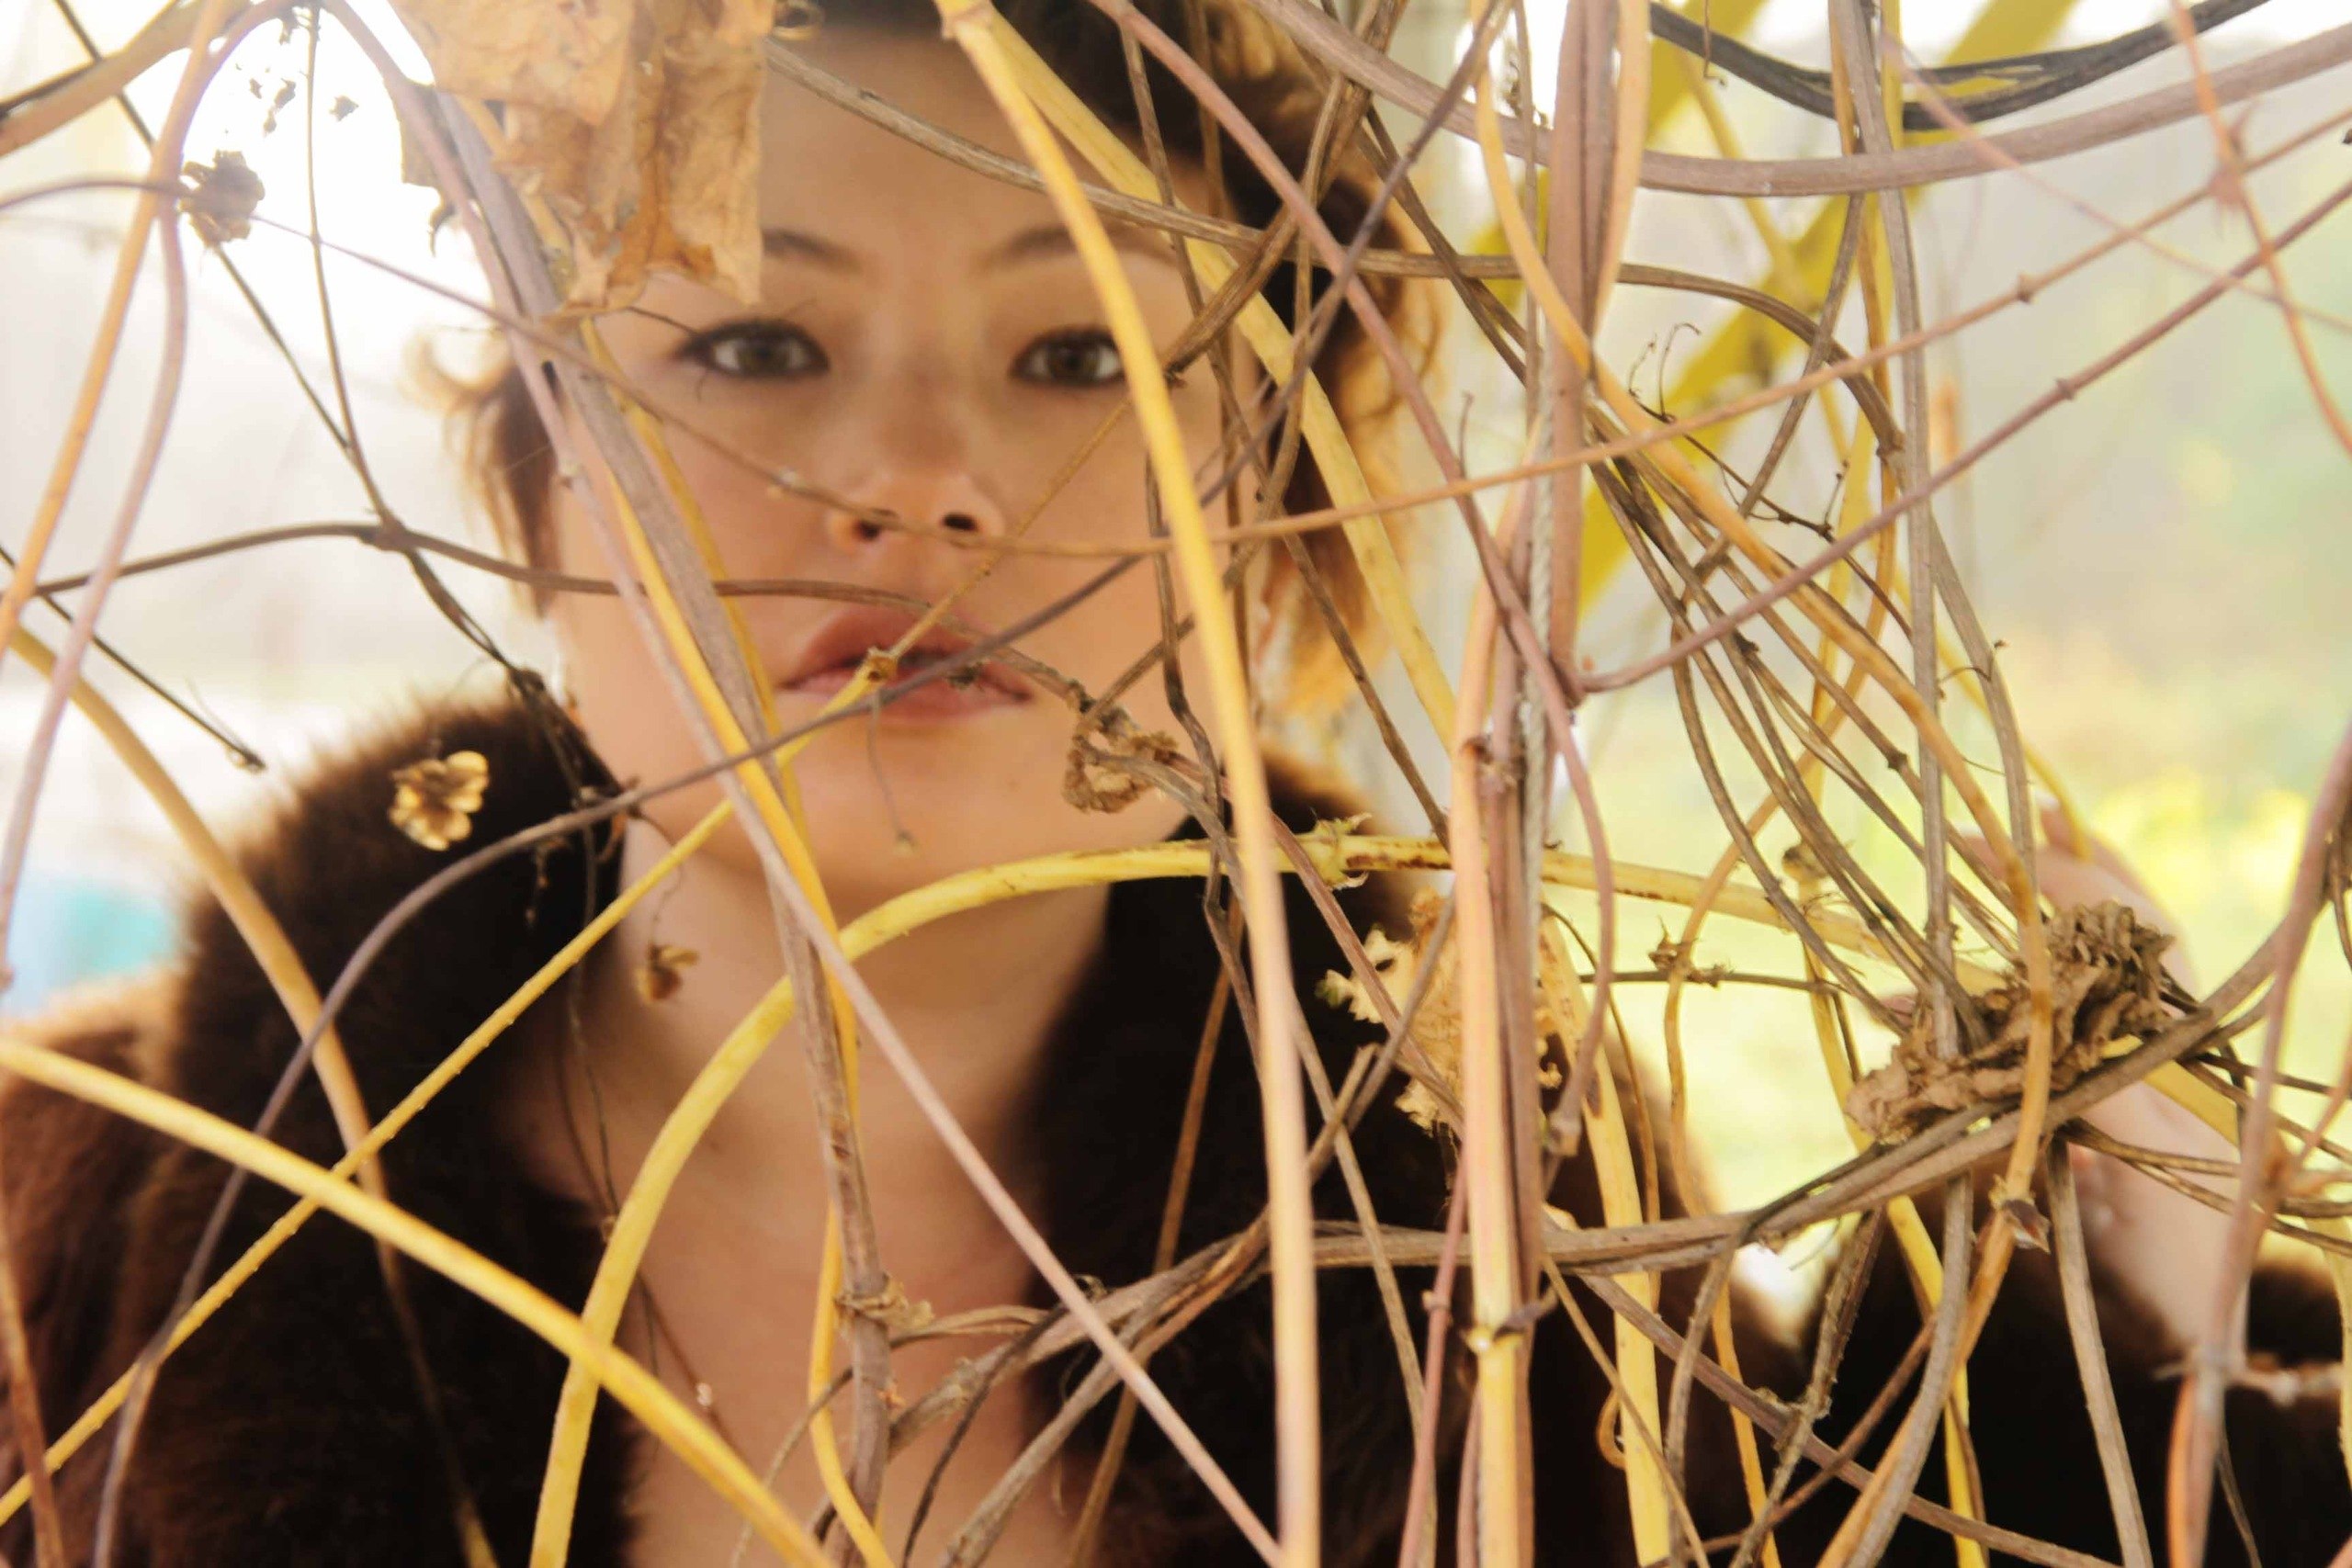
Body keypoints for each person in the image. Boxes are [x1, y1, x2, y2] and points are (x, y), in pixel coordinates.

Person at [1, 0, 2344, 1562]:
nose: (918, 477)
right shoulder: (76, 1230)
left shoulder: (1507, 1214)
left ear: (1268, 503)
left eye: (1077, 353)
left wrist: (2138, 1304)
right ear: (533, 476)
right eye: (757, 336)